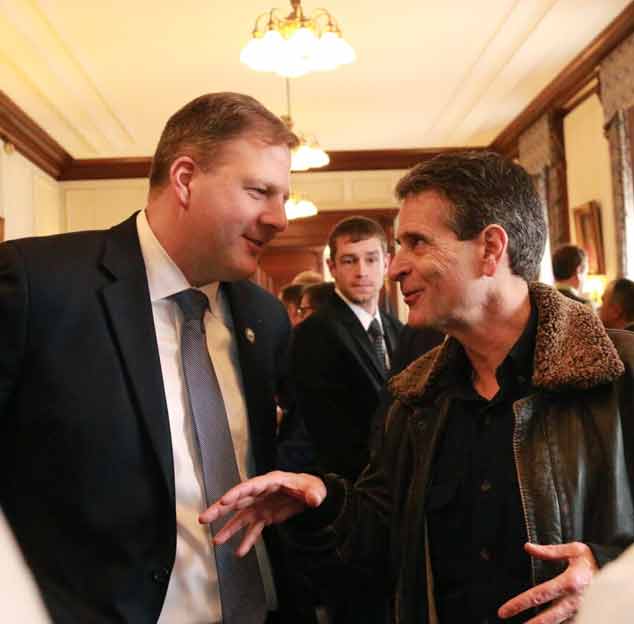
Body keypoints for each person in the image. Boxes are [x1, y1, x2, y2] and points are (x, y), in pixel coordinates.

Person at [200, 151, 634, 624]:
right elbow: (386, 534)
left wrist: (609, 573)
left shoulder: (618, 372)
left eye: (417, 243)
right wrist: (324, 499)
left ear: (490, 249)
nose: (394, 268)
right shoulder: (415, 397)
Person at [0, 92, 314, 623]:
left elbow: (296, 445)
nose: (279, 219)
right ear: (186, 179)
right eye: (260, 191)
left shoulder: (261, 313)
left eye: (283, 197)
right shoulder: (39, 286)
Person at [292, 216, 403, 482]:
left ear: (386, 263)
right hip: (348, 487)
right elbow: (322, 430)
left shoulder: (398, 329)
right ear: (332, 267)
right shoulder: (315, 331)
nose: (362, 271)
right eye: (350, 260)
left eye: (371, 259)